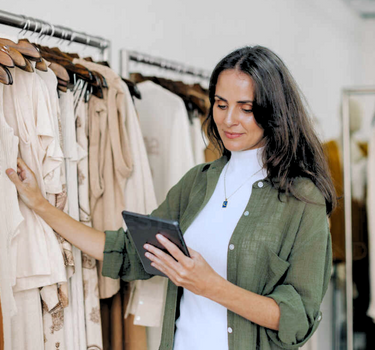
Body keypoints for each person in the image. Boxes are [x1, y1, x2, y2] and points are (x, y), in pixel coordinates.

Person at [6, 45, 335, 350]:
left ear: (273, 112)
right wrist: (40, 204)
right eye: (221, 104)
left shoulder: (302, 198)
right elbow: (126, 252)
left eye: (245, 108)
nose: (228, 119)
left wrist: (210, 285)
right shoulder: (198, 183)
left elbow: (299, 318)